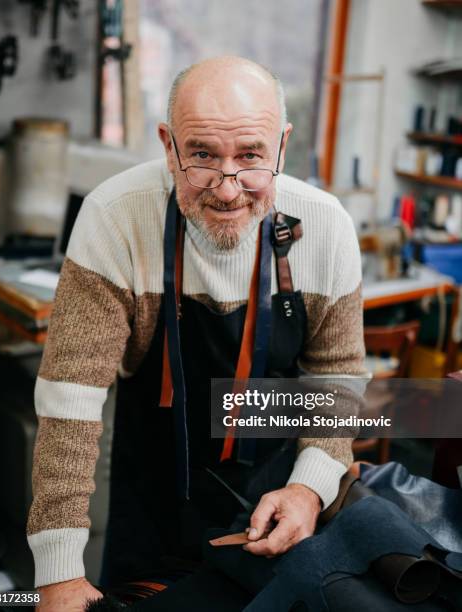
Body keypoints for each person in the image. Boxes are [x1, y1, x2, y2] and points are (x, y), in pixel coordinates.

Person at [29, 55, 366, 611]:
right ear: (168, 145)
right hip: (152, 486)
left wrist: (310, 487)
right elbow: (70, 400)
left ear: (282, 146)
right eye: (203, 155)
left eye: (251, 156)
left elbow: (340, 379)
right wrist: (58, 570)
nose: (228, 190)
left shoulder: (326, 228)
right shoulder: (115, 217)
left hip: (276, 488)